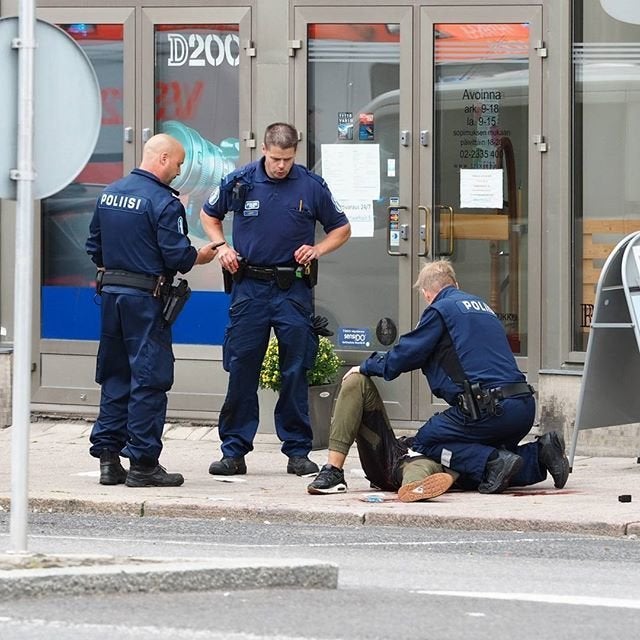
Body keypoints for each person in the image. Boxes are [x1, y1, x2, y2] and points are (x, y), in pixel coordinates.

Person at [310, 259, 569, 495]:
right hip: (522, 406)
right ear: (456, 284)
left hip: (489, 410)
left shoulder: (440, 310)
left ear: (426, 294)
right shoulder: (483, 308)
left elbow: (406, 353)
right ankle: (539, 453)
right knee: (485, 463)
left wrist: (367, 366)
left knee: (427, 442)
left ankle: (491, 461)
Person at [200, 122, 351, 477]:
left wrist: (317, 249)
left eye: (288, 158)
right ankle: (233, 451)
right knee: (242, 367)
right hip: (249, 286)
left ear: (295, 153)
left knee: (296, 369)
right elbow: (209, 215)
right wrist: (222, 247)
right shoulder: (240, 180)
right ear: (264, 149)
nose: (281, 165)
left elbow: (341, 229)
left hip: (292, 289)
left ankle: (298, 451)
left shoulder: (311, 186)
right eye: (276, 158)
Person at [86, 133, 220, 488]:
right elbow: (177, 256)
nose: (178, 172)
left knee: (115, 376)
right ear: (162, 158)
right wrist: (200, 255)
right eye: (177, 164)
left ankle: (108, 460)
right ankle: (144, 463)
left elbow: (93, 246)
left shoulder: (109, 193)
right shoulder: (164, 203)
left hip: (111, 297)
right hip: (145, 301)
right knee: (149, 378)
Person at [307, 371, 456, 502]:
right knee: (356, 380)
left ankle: (414, 488)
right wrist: (369, 366)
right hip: (395, 450)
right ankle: (333, 470)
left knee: (419, 468)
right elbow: (407, 353)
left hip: (429, 463)